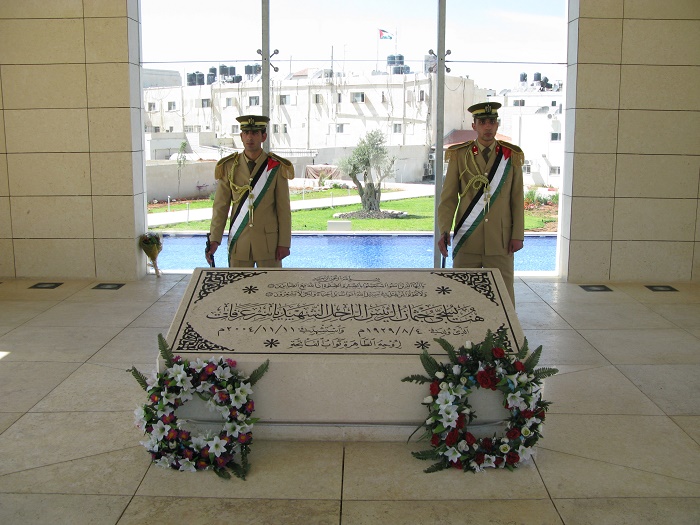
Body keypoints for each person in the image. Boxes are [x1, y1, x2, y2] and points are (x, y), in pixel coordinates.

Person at [437, 102, 524, 305]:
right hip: (468, 238)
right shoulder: (460, 154)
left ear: (497, 125)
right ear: (474, 125)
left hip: (500, 241)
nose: (488, 126)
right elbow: (448, 198)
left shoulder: (510, 156)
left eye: (492, 122)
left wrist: (517, 235)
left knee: (503, 297)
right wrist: (444, 230)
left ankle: (503, 336)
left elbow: (517, 199)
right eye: (482, 122)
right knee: (461, 295)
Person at [205, 115, 294, 268]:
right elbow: (221, 206)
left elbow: (283, 209)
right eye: (246, 133)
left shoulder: (275, 166)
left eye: (255, 133)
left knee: (270, 289)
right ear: (241, 136)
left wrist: (284, 243)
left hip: (269, 246)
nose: (250, 137)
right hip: (240, 242)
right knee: (239, 289)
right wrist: (214, 240)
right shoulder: (228, 166)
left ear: (263, 136)